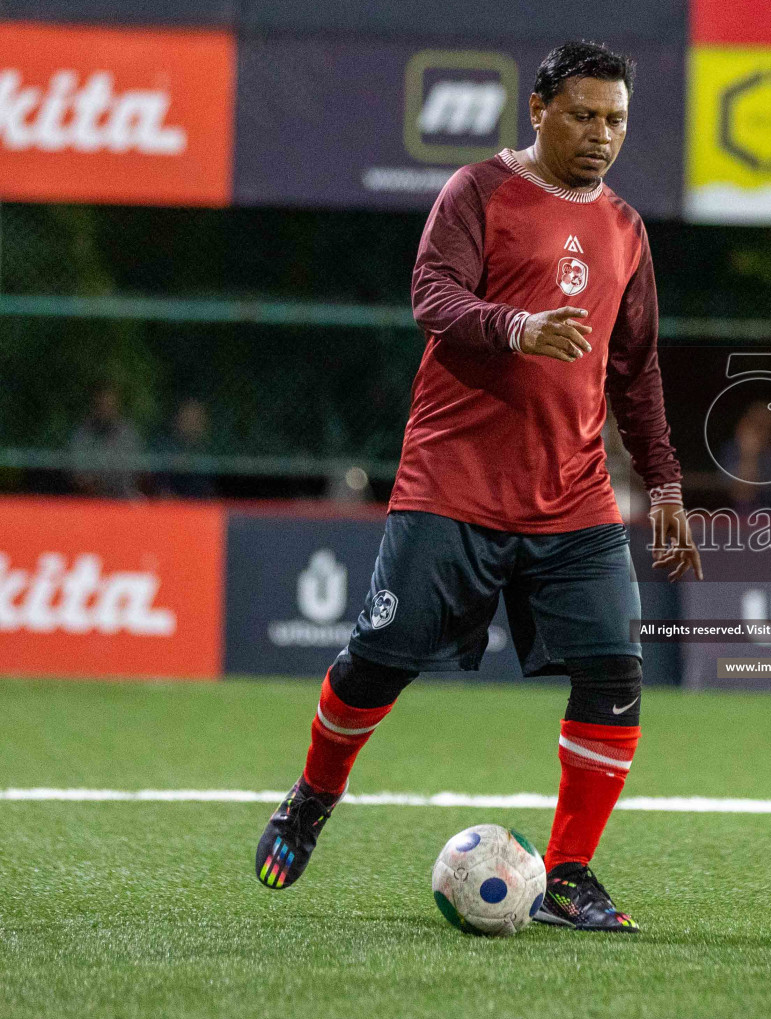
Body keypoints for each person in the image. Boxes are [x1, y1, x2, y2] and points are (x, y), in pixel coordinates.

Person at [255, 41, 703, 932]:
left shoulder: (625, 230)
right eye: (582, 114)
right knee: (377, 664)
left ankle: (569, 874)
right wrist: (516, 326)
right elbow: (432, 295)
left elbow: (637, 371)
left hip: (572, 496)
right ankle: (310, 799)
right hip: (452, 484)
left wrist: (665, 486)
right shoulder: (477, 192)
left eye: (615, 119)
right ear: (537, 109)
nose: (601, 134)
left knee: (615, 670)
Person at [70, 384, 144, 498]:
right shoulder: (83, 434)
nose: (105, 409)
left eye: (109, 404)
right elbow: (79, 475)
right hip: (91, 498)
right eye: (101, 404)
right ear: (94, 406)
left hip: (123, 496)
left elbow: (137, 471)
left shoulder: (127, 433)